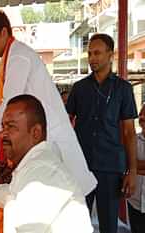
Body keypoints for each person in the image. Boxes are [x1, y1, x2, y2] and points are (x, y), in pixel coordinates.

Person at [0, 9, 96, 195]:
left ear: (4, 32)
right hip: (43, 132)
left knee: (65, 192)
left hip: (51, 134)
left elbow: (11, 98)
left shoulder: (18, 55)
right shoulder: (11, 56)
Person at [0, 94, 92, 233]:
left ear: (36, 133)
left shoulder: (42, 174)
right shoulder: (35, 167)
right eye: (3, 127)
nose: (2, 135)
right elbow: (9, 194)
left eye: (11, 127)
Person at [66, 33, 138, 233]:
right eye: (89, 53)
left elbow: (129, 132)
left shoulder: (123, 89)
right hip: (82, 166)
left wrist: (131, 172)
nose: (92, 58)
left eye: (97, 53)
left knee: (108, 225)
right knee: (76, 223)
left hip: (111, 168)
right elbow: (65, 124)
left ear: (110, 54)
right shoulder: (79, 88)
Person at [127, 104, 145, 233]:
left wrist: (134, 168)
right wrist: (133, 167)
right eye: (141, 115)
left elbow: (131, 166)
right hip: (135, 201)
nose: (142, 117)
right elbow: (126, 164)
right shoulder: (133, 140)